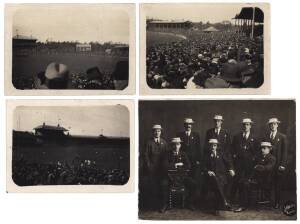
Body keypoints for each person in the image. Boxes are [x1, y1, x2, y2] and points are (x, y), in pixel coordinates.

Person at [160, 137, 196, 213]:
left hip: (182, 177)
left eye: (178, 144)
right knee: (163, 184)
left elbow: (189, 165)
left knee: (193, 183)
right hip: (170, 177)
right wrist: (175, 164)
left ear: (180, 145)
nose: (176, 146)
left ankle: (189, 203)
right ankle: (164, 204)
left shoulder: (183, 154)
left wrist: (181, 166)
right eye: (174, 145)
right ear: (172, 145)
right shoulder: (167, 154)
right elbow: (164, 166)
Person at [231, 118, 259, 211]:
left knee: (246, 183)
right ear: (242, 126)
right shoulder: (236, 136)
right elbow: (233, 149)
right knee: (237, 181)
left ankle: (245, 203)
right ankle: (234, 201)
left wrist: (253, 159)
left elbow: (257, 151)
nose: (246, 126)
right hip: (238, 164)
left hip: (249, 165)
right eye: (244, 124)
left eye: (248, 124)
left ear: (250, 125)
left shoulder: (255, 138)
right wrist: (235, 156)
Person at [203, 139, 235, 215]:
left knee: (219, 182)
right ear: (209, 146)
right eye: (211, 145)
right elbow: (203, 167)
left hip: (221, 176)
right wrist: (208, 171)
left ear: (217, 146)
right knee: (215, 180)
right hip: (211, 177)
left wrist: (231, 169)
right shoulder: (206, 156)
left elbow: (228, 162)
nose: (213, 147)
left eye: (214, 145)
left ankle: (221, 204)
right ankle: (225, 201)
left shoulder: (221, 154)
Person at [265, 117, 288, 209]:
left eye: (274, 124)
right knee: (269, 183)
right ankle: (270, 201)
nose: (273, 126)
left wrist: (282, 165)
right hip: (269, 165)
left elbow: (285, 152)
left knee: (278, 184)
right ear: (269, 126)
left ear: (277, 125)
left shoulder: (282, 137)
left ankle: (277, 202)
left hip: (278, 165)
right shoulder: (266, 136)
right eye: (271, 124)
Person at [144, 124, 168, 210]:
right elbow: (145, 155)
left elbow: (166, 156)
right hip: (152, 169)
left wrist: (165, 167)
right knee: (153, 186)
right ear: (152, 132)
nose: (157, 133)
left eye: (159, 131)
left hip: (162, 169)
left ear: (161, 132)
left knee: (163, 186)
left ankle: (163, 205)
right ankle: (153, 205)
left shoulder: (164, 142)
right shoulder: (149, 142)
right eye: (155, 131)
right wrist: (149, 166)